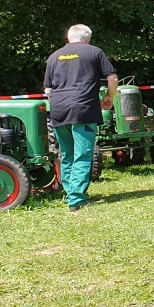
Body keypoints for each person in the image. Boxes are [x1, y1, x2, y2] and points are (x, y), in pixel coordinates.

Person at [43, 24, 118, 211]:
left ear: (69, 38)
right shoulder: (94, 52)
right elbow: (113, 78)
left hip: (58, 110)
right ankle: (76, 200)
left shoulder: (54, 56)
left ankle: (70, 193)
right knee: (83, 154)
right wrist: (109, 97)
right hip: (83, 109)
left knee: (67, 154)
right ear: (87, 38)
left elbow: (48, 89)